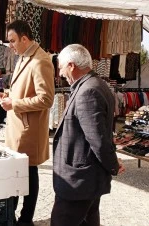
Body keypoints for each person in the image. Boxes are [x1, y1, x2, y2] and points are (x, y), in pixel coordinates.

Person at [51, 44, 125, 226]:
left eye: (60, 68)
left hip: (79, 182)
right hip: (85, 179)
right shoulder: (94, 85)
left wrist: (113, 165)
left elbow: (98, 138)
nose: (60, 74)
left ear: (71, 65)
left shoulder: (88, 91)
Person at [0, 20, 55, 225]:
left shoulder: (41, 60)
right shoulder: (23, 57)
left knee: (28, 174)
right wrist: (7, 95)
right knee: (16, 173)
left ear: (24, 38)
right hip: (17, 127)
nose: (10, 45)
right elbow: (24, 89)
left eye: (12, 41)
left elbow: (46, 99)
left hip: (28, 130)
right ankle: (11, 215)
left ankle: (25, 219)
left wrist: (15, 103)